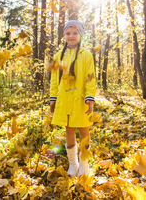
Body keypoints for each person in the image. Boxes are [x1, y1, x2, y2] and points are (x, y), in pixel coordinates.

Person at [49, 20, 96, 177]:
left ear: (80, 35)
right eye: (68, 33)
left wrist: (90, 97)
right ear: (64, 36)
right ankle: (73, 164)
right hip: (65, 100)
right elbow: (54, 80)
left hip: (81, 99)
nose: (71, 36)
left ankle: (84, 163)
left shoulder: (87, 55)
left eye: (75, 33)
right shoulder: (58, 56)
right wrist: (53, 98)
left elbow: (90, 78)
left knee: (84, 130)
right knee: (69, 130)